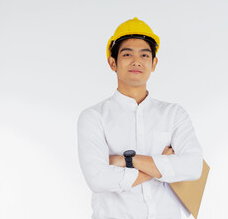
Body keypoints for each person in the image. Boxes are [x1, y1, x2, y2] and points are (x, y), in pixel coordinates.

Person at [77, 17, 204, 219]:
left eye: (144, 55)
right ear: (112, 63)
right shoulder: (93, 117)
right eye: (127, 54)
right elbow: (98, 179)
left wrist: (127, 160)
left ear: (153, 63)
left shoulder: (174, 114)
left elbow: (193, 167)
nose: (136, 61)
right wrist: (161, 165)